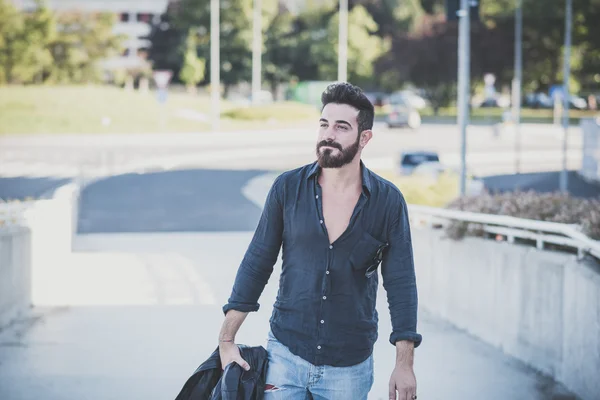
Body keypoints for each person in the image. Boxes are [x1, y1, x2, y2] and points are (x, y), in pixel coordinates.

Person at [218, 82, 422, 400]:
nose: (328, 134)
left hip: (349, 367)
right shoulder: (287, 189)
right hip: (285, 356)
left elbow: (401, 284)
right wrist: (227, 339)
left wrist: (404, 364)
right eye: (324, 124)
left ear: (364, 137)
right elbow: (258, 260)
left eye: (341, 127)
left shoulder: (388, 201)